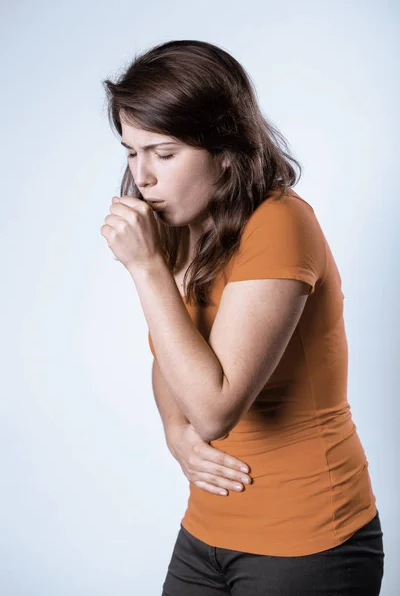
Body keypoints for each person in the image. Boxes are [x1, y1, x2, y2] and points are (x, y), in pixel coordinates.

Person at [101, 39, 384, 595]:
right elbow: (173, 362)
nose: (143, 177)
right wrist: (172, 434)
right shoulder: (187, 226)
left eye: (163, 152)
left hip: (308, 541)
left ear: (225, 150)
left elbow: (214, 411)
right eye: (132, 152)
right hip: (207, 529)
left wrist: (147, 269)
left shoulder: (279, 223)